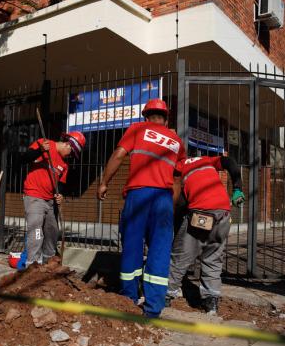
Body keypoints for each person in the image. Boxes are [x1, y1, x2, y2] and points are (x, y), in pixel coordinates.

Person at [97, 99, 186, 318]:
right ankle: (153, 308)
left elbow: (119, 155)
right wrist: (170, 208)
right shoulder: (176, 141)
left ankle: (129, 300)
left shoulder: (137, 129)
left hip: (138, 196)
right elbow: (177, 181)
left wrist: (104, 182)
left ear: (146, 116)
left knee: (132, 246)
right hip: (164, 199)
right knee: (160, 251)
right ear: (166, 119)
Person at [166, 155, 245, 315]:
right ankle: (211, 302)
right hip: (224, 213)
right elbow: (231, 162)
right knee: (213, 257)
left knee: (181, 255)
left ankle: (166, 294)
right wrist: (237, 188)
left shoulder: (178, 167)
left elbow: (180, 202)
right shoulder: (207, 160)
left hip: (201, 214)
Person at [19, 131, 85, 268]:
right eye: (72, 153)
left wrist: (60, 195)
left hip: (49, 202)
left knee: (52, 231)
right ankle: (33, 266)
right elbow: (24, 158)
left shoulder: (64, 166)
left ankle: (49, 264)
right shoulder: (44, 143)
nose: (71, 157)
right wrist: (40, 150)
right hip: (34, 196)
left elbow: (59, 186)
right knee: (36, 231)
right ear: (68, 144)